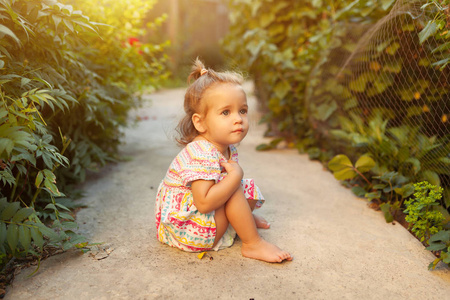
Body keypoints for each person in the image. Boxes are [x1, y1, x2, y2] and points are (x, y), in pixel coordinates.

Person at [154, 59, 292, 263]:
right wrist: (235, 177)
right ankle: (252, 243)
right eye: (226, 112)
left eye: (242, 110)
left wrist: (234, 178)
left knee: (239, 185)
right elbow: (203, 203)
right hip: (189, 229)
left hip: (202, 219)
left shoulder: (224, 146)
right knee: (234, 185)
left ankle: (241, 220)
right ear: (200, 122)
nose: (238, 119)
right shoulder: (201, 153)